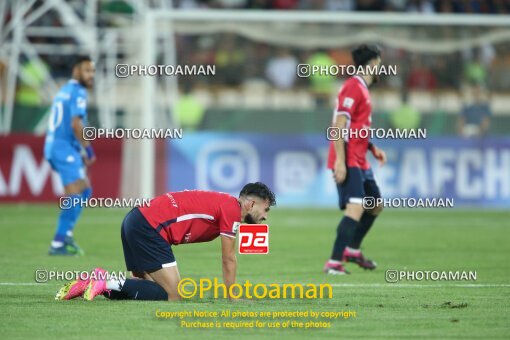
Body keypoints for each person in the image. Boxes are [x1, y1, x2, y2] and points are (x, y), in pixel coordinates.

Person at [55, 182, 276, 301]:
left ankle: (97, 284)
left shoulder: (223, 203)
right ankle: (104, 282)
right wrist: (232, 296)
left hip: (135, 219)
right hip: (149, 228)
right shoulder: (231, 209)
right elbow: (228, 258)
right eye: (265, 209)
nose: (265, 216)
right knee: (174, 294)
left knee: (147, 288)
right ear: (251, 204)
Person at [324, 44, 387, 275]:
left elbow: (354, 127)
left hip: (361, 158)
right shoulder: (353, 87)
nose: (381, 69)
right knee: (355, 208)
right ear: (371, 64)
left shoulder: (362, 89)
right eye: (380, 64)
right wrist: (340, 161)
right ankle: (333, 262)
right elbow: (338, 126)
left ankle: (352, 249)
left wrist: (372, 147)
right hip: (348, 158)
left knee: (375, 205)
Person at [44, 56, 96, 256]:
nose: (91, 75)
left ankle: (64, 237)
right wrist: (88, 149)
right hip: (63, 148)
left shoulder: (64, 90)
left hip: (57, 146)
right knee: (75, 194)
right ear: (76, 70)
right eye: (87, 70)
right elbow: (76, 124)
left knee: (83, 192)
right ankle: (59, 242)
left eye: (92, 71)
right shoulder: (78, 92)